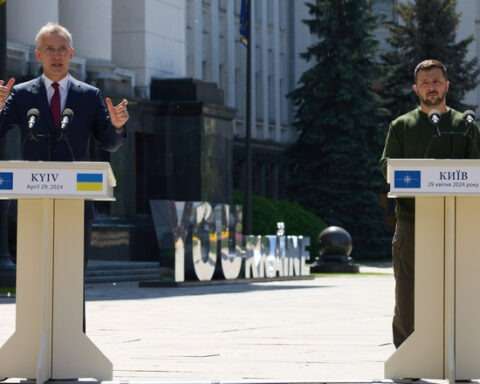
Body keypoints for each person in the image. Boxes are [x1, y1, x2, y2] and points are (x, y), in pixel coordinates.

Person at [0, 22, 130, 331]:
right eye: (50, 50)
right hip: (28, 202)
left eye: (62, 50)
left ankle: (72, 339)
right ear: (38, 54)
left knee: (70, 274)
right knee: (30, 271)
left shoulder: (89, 96)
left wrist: (117, 126)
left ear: (71, 54)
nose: (56, 56)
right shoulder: (19, 95)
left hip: (74, 204)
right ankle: (31, 339)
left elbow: (109, 143)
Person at [380, 59, 480, 348]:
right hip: (412, 220)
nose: (431, 88)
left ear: (447, 85)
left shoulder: (466, 125)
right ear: (416, 89)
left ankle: (461, 355)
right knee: (408, 291)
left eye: (436, 81)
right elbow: (386, 165)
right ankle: (408, 355)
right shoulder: (401, 126)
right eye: (425, 83)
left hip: (459, 221)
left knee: (461, 290)